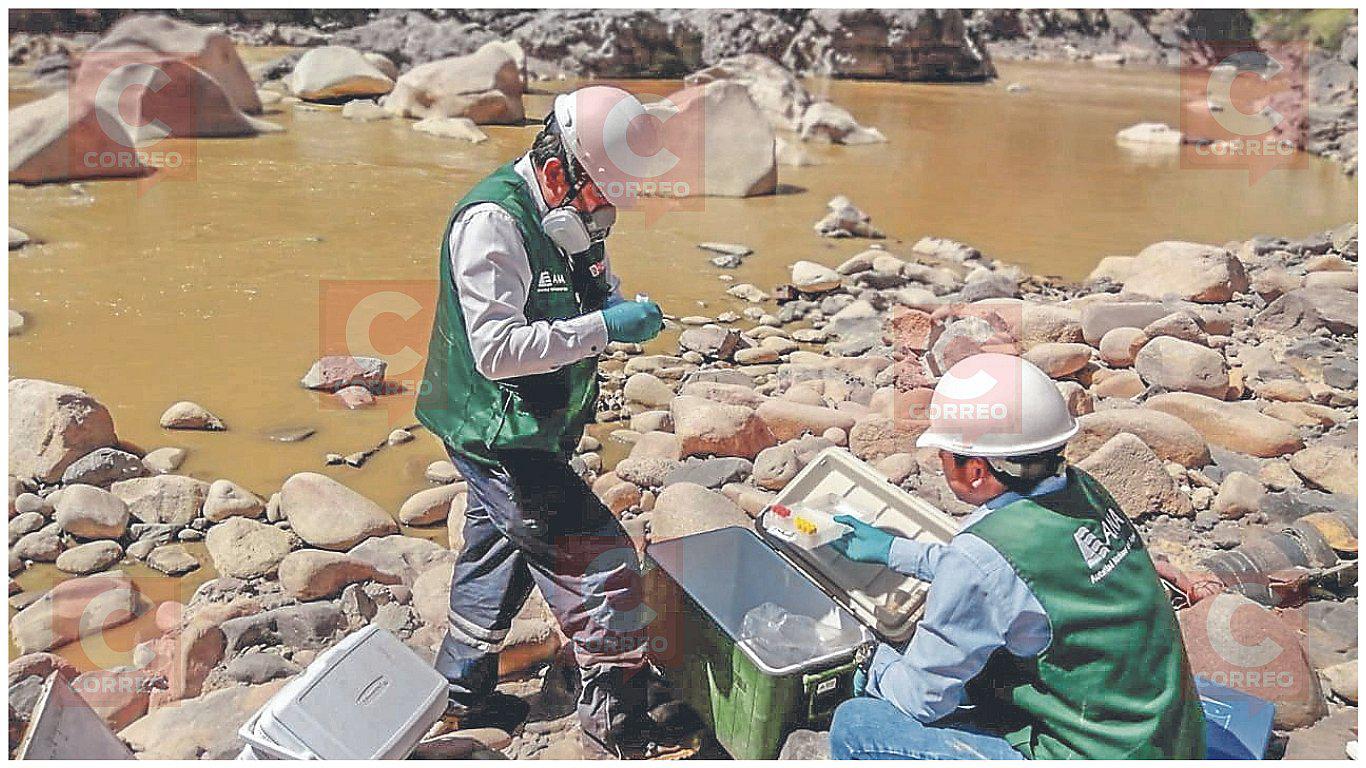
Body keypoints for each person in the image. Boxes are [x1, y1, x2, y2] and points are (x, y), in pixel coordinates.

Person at [414, 86, 671, 754]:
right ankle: (615, 731)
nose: (609, 215)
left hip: (532, 425)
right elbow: (496, 352)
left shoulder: (574, 217)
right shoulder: (491, 225)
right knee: (603, 563)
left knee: (497, 547)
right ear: (559, 173)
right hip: (498, 431)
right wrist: (602, 328)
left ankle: (458, 695)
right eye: (603, 198)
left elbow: (596, 285)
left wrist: (617, 306)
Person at [827, 353, 1205, 760]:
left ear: (975, 471)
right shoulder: (1083, 490)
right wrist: (893, 551)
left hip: (1091, 753)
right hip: (1166, 737)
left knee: (858, 724)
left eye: (944, 455)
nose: (940, 464)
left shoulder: (983, 555)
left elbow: (922, 699)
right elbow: (1009, 579)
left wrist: (875, 663)